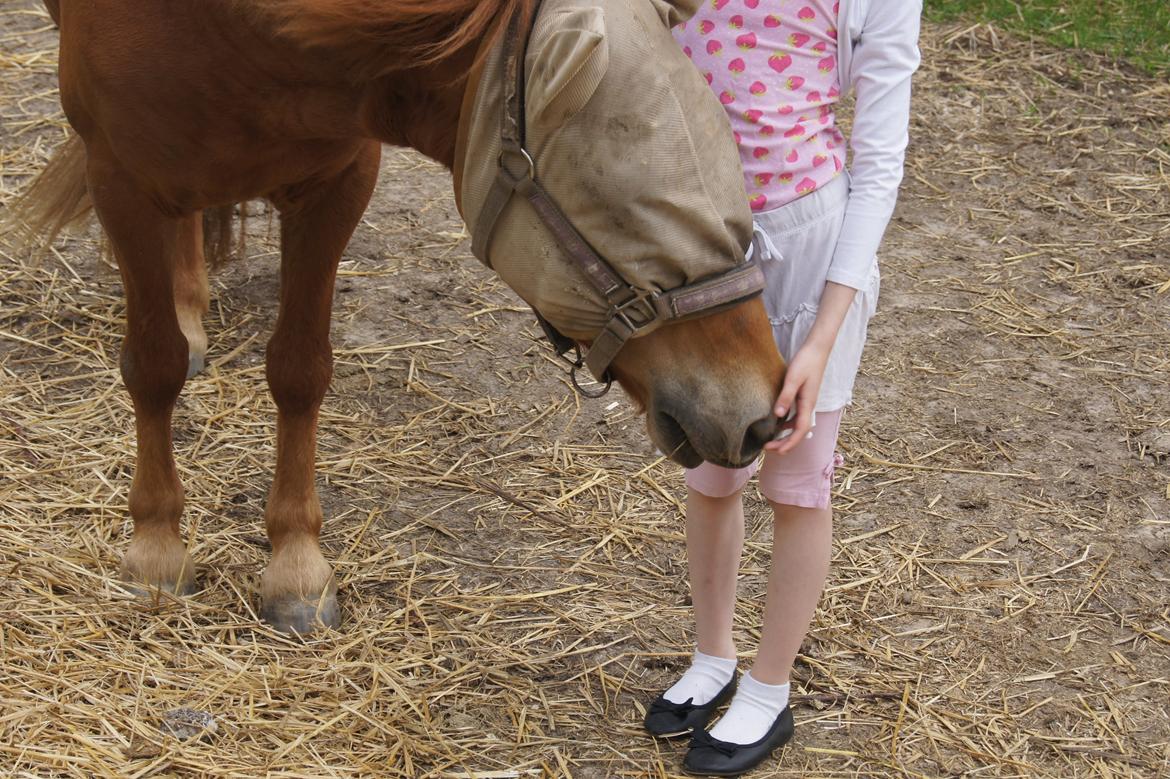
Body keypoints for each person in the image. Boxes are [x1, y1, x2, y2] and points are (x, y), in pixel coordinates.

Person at [643, 1, 922, 775]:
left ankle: (768, 689)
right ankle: (713, 655)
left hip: (806, 256)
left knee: (797, 487)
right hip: (701, 241)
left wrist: (825, 333)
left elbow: (879, 162)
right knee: (712, 468)